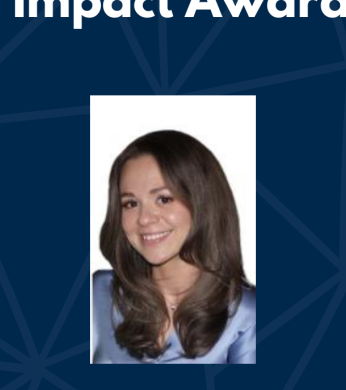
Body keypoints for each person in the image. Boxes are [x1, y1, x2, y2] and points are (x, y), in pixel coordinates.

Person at [92, 130, 255, 363]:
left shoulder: (247, 315)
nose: (144, 219)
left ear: (202, 202)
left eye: (164, 199)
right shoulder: (97, 294)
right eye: (130, 203)